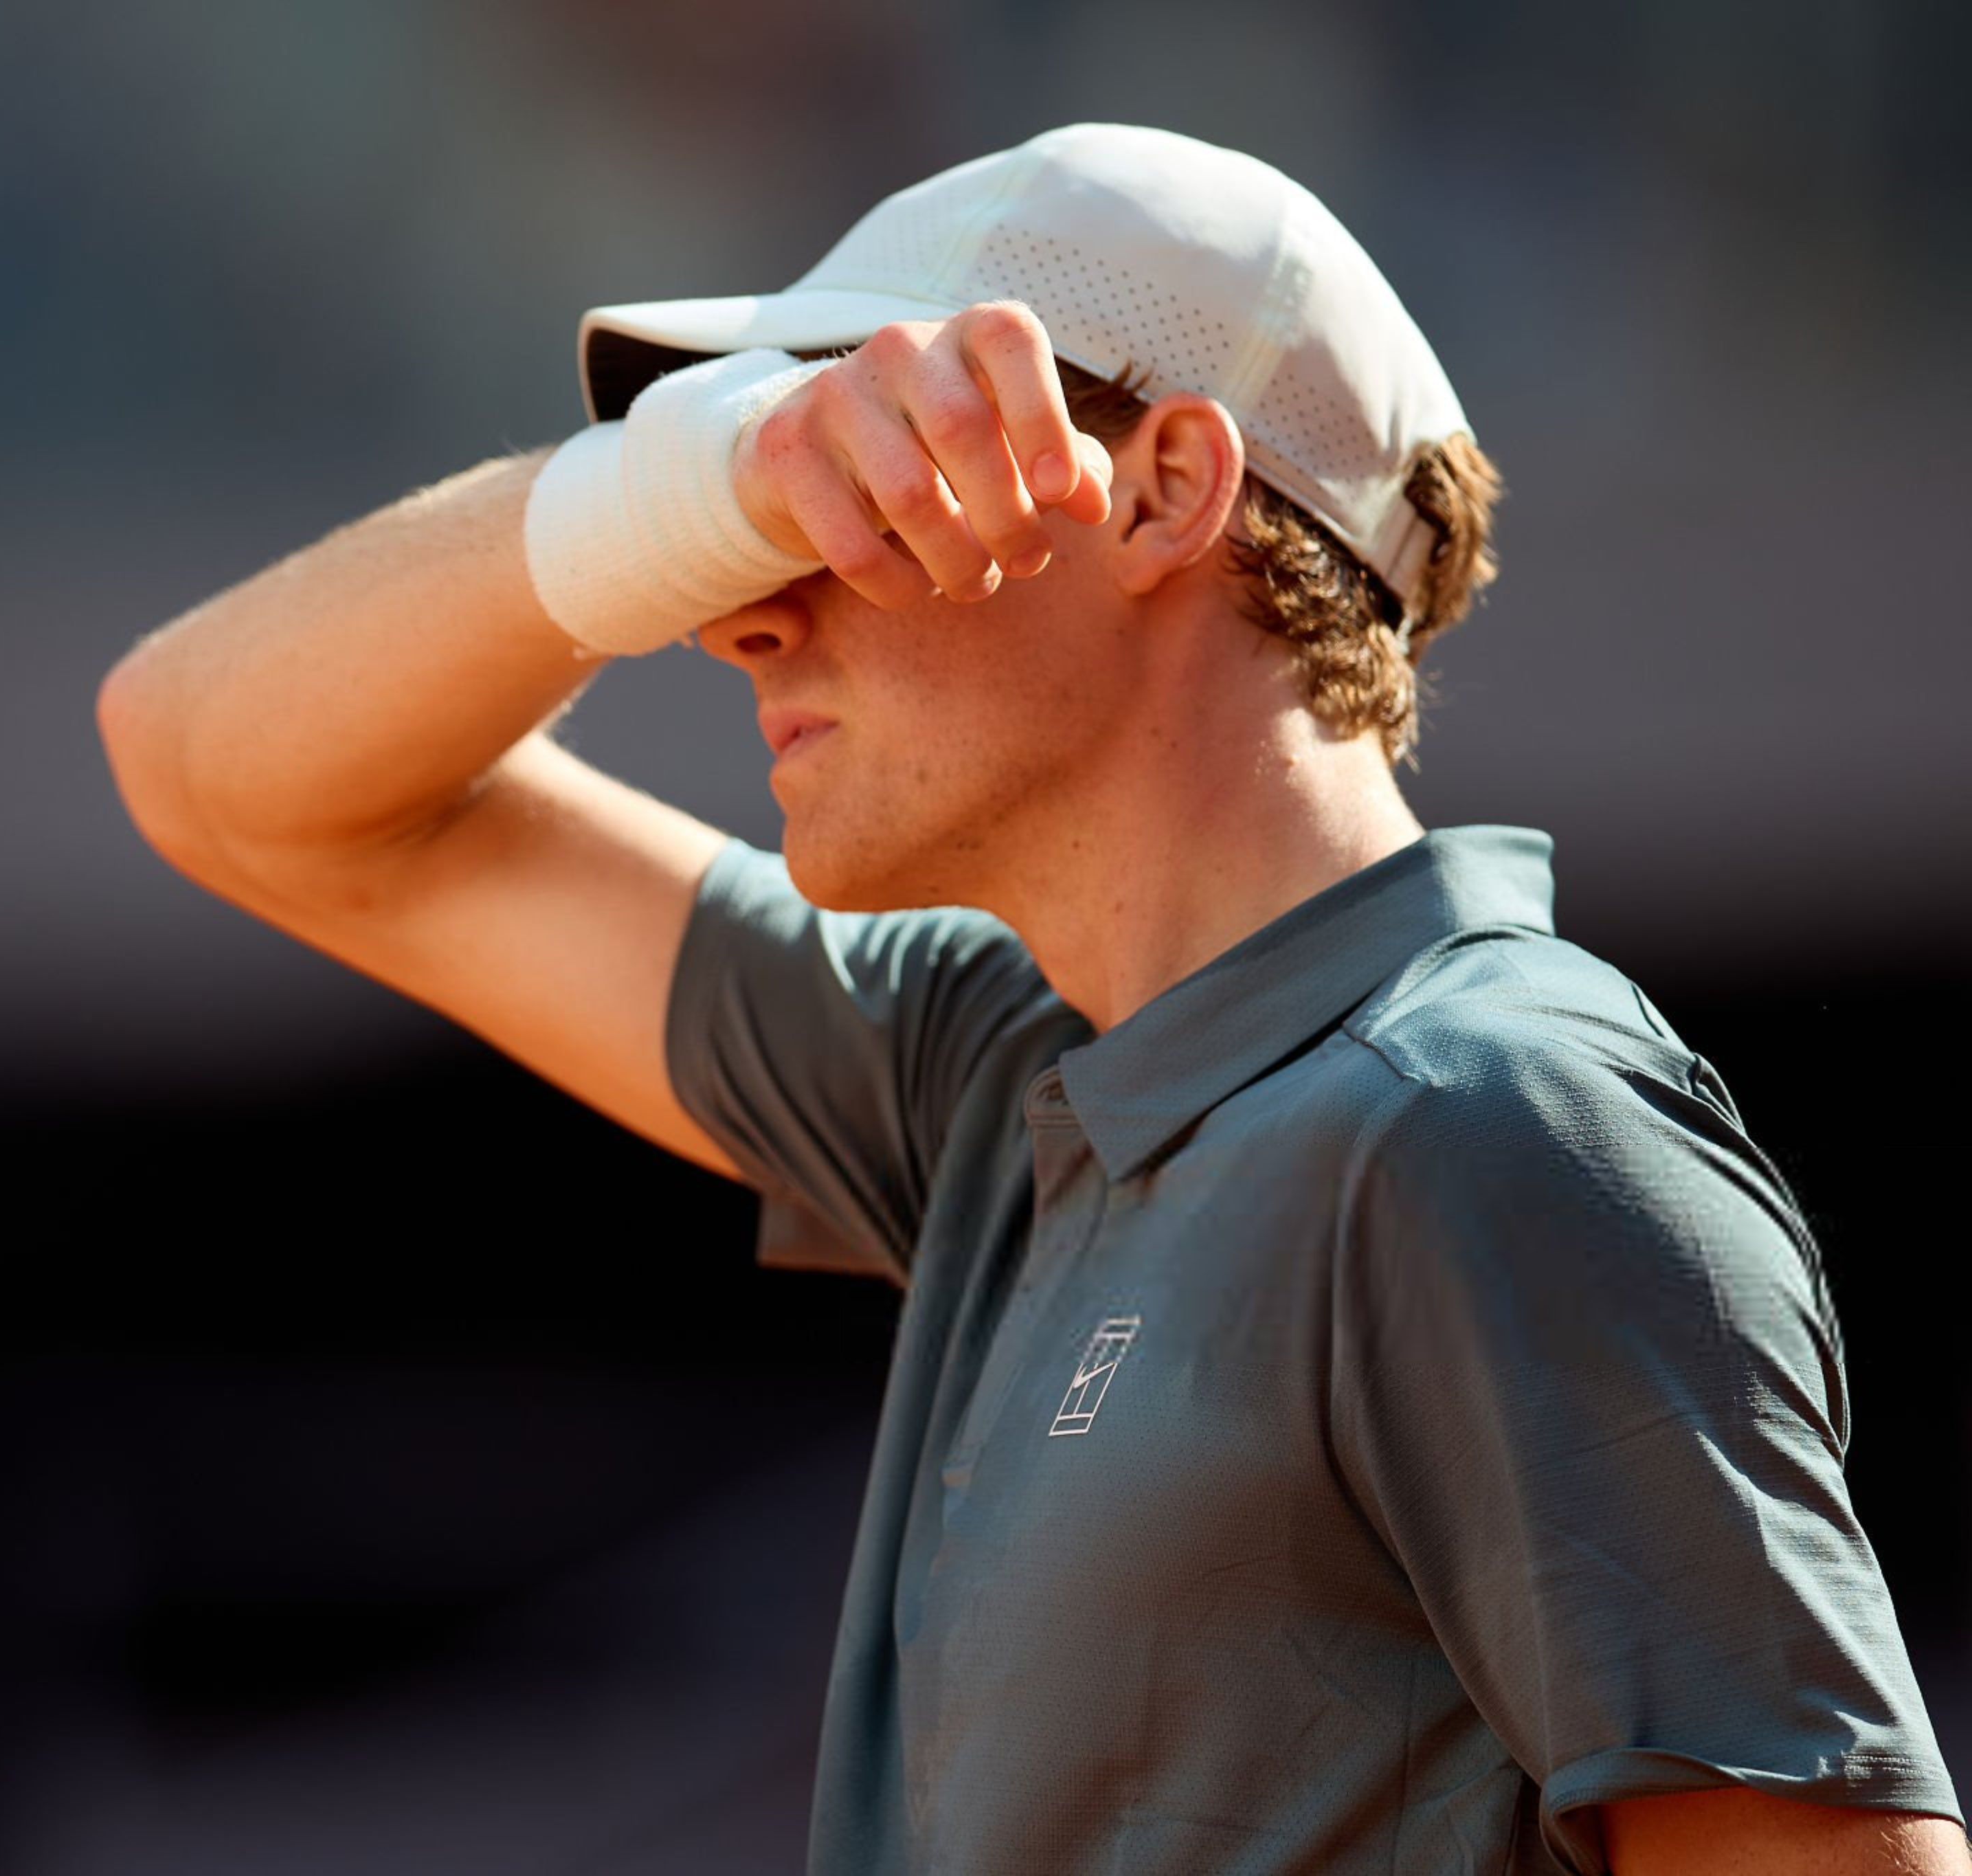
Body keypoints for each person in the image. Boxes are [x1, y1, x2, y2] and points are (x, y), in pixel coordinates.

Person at [97, 122, 1966, 1876]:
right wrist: (674, 490)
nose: (740, 605)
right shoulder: (994, 1072)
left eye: (859, 467)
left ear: (1165, 490)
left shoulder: (1485, 1123)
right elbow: (213, 770)